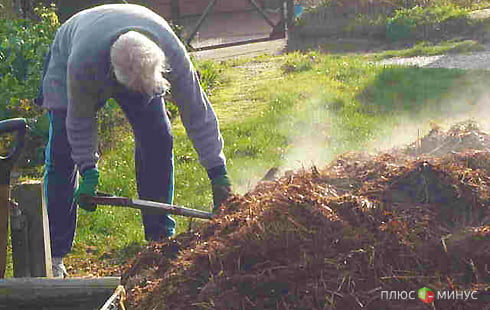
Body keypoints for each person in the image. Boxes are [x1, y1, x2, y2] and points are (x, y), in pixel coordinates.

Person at [35, 3, 232, 278]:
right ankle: (54, 255)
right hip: (73, 46)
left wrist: (217, 172)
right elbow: (78, 123)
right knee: (61, 154)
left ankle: (159, 240)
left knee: (158, 139)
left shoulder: (171, 51)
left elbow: (198, 112)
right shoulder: (82, 62)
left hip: (134, 51)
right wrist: (88, 171)